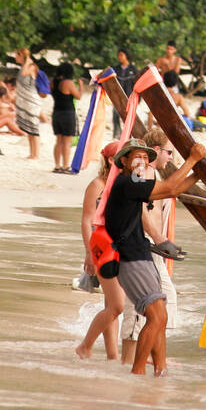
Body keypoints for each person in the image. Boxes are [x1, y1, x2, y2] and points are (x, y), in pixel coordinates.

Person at [106, 138, 206, 376]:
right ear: (124, 161)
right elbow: (171, 188)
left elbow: (173, 189)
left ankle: (159, 372)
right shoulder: (127, 181)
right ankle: (138, 372)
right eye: (136, 157)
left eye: (145, 157)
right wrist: (193, 159)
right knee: (156, 316)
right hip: (131, 258)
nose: (142, 161)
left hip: (140, 254)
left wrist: (197, 173)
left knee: (159, 318)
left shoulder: (133, 182)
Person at [121, 128, 184, 366]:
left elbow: (174, 187)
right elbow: (140, 209)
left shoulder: (151, 173)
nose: (171, 158)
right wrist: (160, 239)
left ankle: (154, 360)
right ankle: (134, 362)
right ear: (157, 150)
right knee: (145, 309)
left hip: (150, 250)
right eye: (169, 152)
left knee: (156, 307)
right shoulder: (143, 172)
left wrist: (199, 166)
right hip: (143, 249)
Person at [77, 143, 129, 360]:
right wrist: (89, 253)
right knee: (117, 305)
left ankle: (112, 355)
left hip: (121, 247)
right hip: (101, 247)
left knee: (111, 305)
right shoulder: (97, 185)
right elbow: (87, 220)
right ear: (111, 160)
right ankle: (85, 346)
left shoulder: (123, 184)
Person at [51, 62, 82, 173]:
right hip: (67, 113)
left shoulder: (53, 81)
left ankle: (57, 165)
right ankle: (65, 166)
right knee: (67, 142)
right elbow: (78, 96)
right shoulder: (68, 83)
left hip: (56, 113)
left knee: (58, 140)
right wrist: (81, 86)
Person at [13, 48, 42, 160]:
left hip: (32, 101)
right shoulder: (24, 66)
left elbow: (25, 74)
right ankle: (32, 153)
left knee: (34, 128)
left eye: (17, 55)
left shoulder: (31, 66)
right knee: (29, 128)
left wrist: (28, 61)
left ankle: (36, 154)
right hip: (25, 100)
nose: (15, 57)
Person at [111, 49, 139, 135]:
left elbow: (137, 84)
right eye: (118, 55)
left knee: (129, 117)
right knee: (115, 115)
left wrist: (138, 99)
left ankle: (129, 134)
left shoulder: (133, 69)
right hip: (117, 97)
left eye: (121, 55)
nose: (119, 57)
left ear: (126, 56)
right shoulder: (115, 69)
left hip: (129, 97)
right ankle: (117, 134)